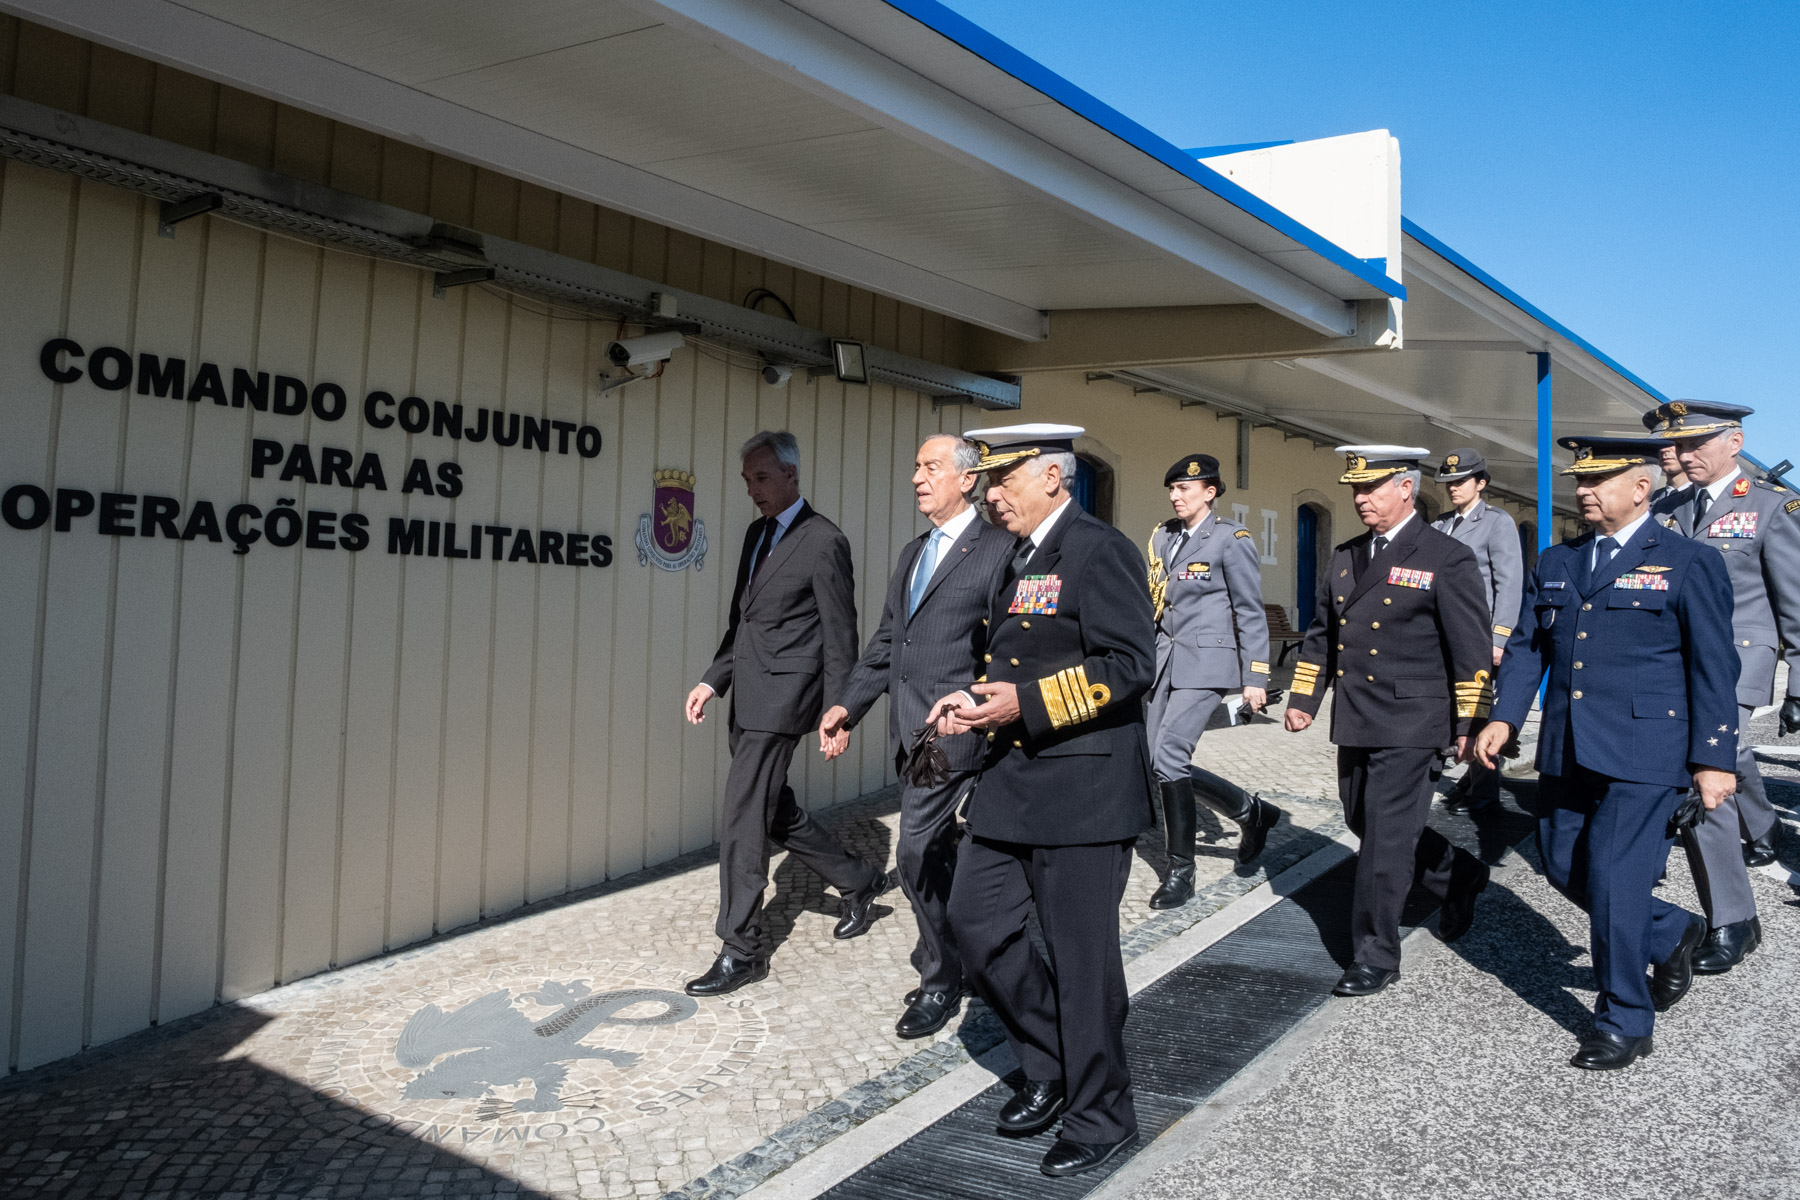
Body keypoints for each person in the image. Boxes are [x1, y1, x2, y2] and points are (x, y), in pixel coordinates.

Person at [926, 423, 1154, 1178]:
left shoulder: (1100, 549)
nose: (992, 494)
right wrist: (971, 699)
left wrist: (1023, 704)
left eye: (1006, 479)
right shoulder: (1017, 557)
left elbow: (1127, 666)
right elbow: (1011, 657)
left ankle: (1101, 1115)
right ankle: (1054, 1060)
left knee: (1085, 962)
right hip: (1013, 784)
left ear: (1055, 476)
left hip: (1084, 789)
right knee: (976, 923)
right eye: (987, 481)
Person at [1474, 435, 1736, 1070]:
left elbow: (1713, 667)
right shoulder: (1557, 561)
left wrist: (1714, 757)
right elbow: (1531, 648)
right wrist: (1504, 717)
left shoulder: (1686, 561)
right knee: (1563, 865)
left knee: (1616, 881)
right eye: (1579, 482)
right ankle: (1670, 930)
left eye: (1597, 482)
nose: (1582, 492)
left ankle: (1623, 1018)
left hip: (1647, 750)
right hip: (1566, 745)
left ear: (1640, 487)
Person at [820, 434, 1014, 1039]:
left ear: (966, 479)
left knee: (914, 853)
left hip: (962, 732)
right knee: (943, 856)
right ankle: (973, 957)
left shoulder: (1000, 551)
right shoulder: (913, 553)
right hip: (914, 736)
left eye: (930, 467)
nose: (917, 478)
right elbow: (887, 643)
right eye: (915, 467)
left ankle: (941, 977)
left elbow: (1012, 649)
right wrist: (847, 707)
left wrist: (982, 705)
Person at [1282, 446, 1493, 998]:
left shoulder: (1446, 556)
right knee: (1363, 821)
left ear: (1405, 488)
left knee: (1382, 845)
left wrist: (1471, 721)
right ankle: (1458, 875)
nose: (1360, 499)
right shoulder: (1347, 555)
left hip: (1415, 720)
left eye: (1371, 489)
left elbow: (1470, 648)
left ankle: (1375, 953)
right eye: (1354, 490)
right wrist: (1305, 695)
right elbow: (1322, 633)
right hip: (1356, 717)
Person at [683, 431, 886, 997]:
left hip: (785, 697)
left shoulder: (824, 541)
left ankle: (740, 947)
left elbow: (840, 631)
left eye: (763, 478)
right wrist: (711, 678)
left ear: (792, 475)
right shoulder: (755, 535)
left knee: (742, 817)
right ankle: (857, 879)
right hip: (746, 691)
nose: (753, 490)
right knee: (772, 810)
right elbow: (741, 621)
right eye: (748, 479)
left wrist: (840, 711)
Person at [1649, 399, 1800, 972]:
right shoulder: (1669, 507)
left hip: (1738, 663)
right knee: (1696, 778)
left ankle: (1733, 919)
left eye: (1695, 444)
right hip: (1673, 664)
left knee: (1706, 772)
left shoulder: (1769, 507)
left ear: (1733, 443)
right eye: (1679, 446)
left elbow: (1795, 601)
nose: (1684, 455)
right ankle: (1756, 838)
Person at [1143, 453, 1280, 908]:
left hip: (1207, 664)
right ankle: (1250, 810)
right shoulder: (1163, 537)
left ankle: (1181, 870)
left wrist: (1256, 676)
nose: (1175, 496)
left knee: (1170, 755)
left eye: (1184, 488)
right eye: (1172, 488)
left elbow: (1249, 610)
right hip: (1165, 660)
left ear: (1210, 491)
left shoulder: (1230, 540)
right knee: (1154, 757)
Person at [1430, 448, 1523, 813]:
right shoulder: (1440, 524)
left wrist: (1499, 637)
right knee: (1450, 708)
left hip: (1478, 635)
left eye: (1460, 481)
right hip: (1442, 635)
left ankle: (1484, 792)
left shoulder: (1497, 523)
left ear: (1480, 483)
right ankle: (1467, 775)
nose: (1453, 488)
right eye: (1448, 482)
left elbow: (1509, 583)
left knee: (1477, 711)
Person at [1643, 409, 1691, 504]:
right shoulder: (1647, 503)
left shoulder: (1703, 499)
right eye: (1659, 444)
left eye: (1672, 442)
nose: (1664, 449)